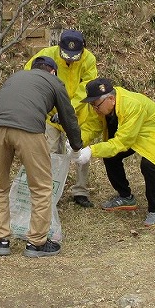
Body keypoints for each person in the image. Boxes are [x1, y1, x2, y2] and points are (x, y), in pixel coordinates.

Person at [0, 56, 84, 258]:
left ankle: (0, 239)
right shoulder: (54, 82)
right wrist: (76, 146)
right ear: (53, 72)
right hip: (28, 129)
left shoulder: (16, 76)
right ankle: (36, 243)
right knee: (41, 187)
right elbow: (68, 116)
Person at [75, 77, 155, 228]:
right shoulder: (102, 106)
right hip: (135, 133)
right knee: (110, 156)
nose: (94, 109)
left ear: (111, 99)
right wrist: (76, 141)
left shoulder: (131, 105)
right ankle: (126, 197)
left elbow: (122, 142)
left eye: (96, 105)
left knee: (149, 165)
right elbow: (92, 127)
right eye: (91, 105)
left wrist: (92, 150)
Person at [24, 29, 99, 208]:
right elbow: (29, 76)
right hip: (51, 114)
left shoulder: (88, 59)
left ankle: (80, 191)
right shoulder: (45, 56)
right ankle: (49, 191)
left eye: (74, 56)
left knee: (80, 151)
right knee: (49, 152)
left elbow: (86, 88)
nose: (70, 60)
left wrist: (67, 109)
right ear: (59, 47)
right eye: (66, 56)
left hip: (78, 113)